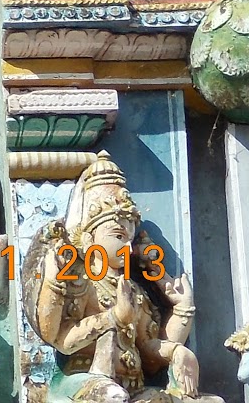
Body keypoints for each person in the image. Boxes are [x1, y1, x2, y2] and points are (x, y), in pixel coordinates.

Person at [31, 153, 221, 403]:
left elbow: (149, 353)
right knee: (112, 397)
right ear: (89, 239)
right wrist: (113, 317)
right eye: (119, 236)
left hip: (132, 386)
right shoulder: (82, 283)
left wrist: (181, 317)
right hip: (85, 380)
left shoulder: (131, 290)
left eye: (130, 239)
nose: (128, 249)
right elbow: (63, 341)